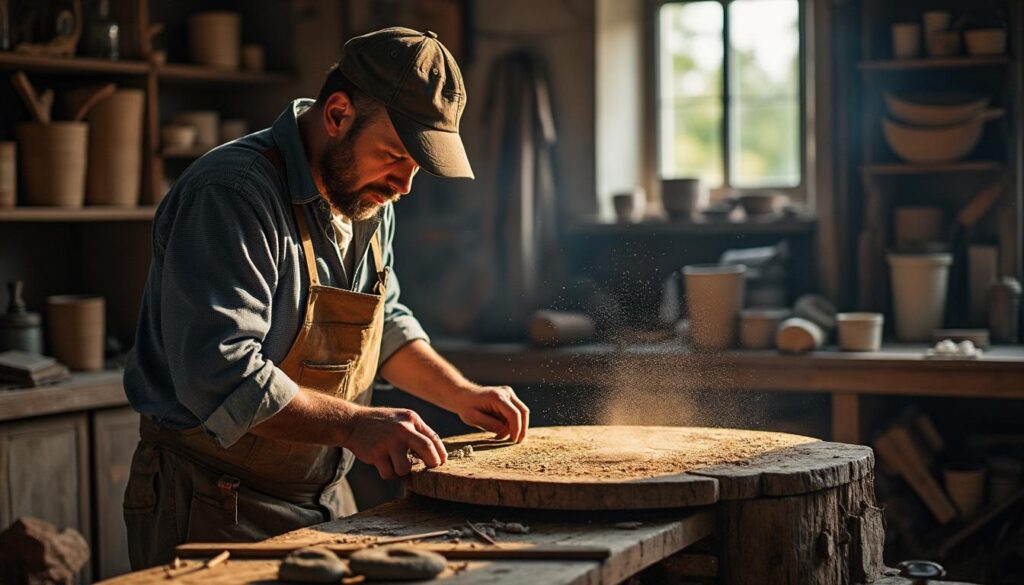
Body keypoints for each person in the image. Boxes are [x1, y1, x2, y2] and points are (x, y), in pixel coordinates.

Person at [121, 27, 530, 569]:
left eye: (416, 168)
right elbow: (219, 373)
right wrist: (356, 424)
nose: (404, 186)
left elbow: (384, 324)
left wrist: (460, 395)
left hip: (324, 499)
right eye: (394, 156)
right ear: (337, 114)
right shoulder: (232, 194)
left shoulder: (366, 197)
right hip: (213, 501)